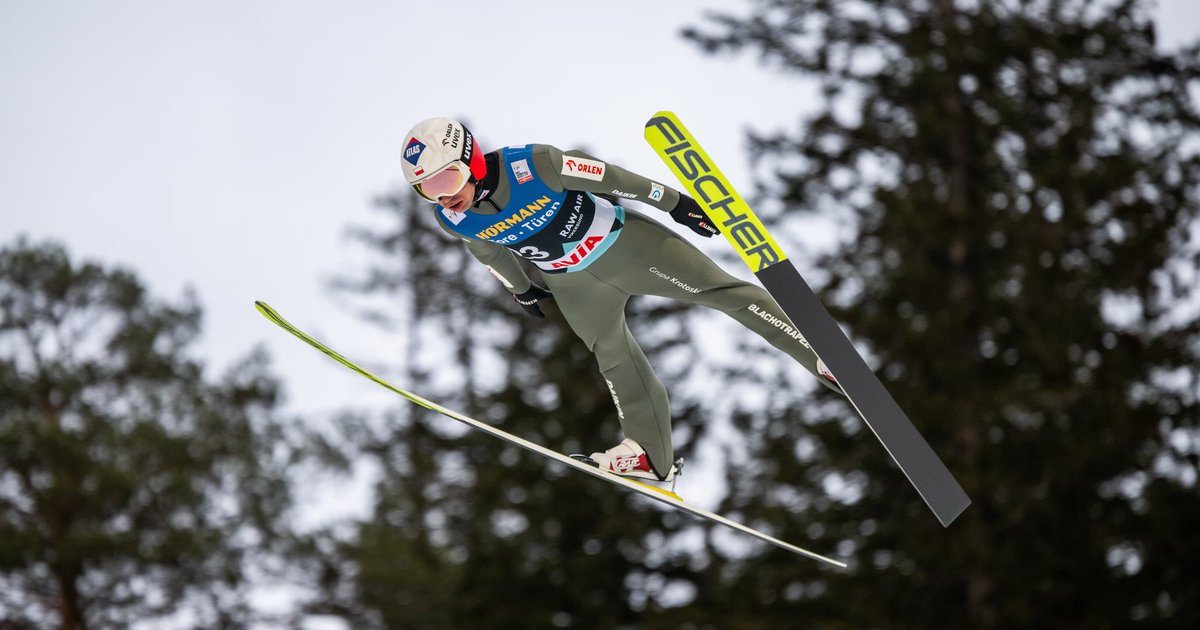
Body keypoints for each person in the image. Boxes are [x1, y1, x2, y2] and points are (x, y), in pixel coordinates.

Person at [401, 117, 842, 482]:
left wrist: (672, 203)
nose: (443, 194)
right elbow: (488, 252)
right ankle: (650, 456)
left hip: (624, 246)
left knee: (720, 291)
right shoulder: (454, 217)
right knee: (612, 357)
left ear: (471, 158)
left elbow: (610, 176)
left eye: (446, 177)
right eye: (426, 189)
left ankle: (817, 353)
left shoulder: (533, 165)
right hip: (571, 283)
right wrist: (521, 290)